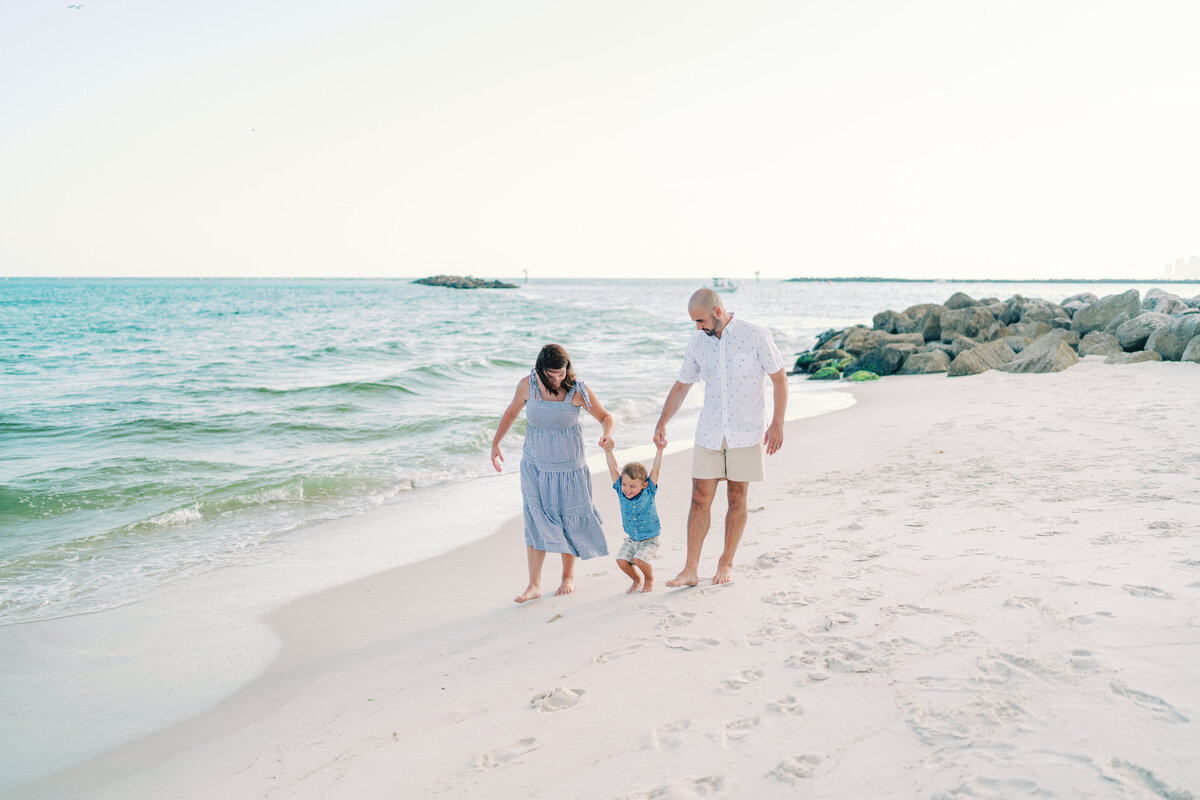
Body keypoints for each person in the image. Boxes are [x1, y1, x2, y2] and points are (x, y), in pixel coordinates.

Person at [653, 288, 788, 586]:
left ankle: (726, 563)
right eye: (694, 322)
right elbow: (681, 386)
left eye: (700, 320)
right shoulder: (698, 344)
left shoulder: (756, 335)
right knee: (699, 497)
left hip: (747, 431)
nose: (697, 327)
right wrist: (662, 422)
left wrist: (777, 423)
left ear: (717, 312)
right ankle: (690, 569)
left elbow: (779, 378)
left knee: (737, 498)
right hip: (710, 431)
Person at [492, 344, 614, 603]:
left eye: (561, 373)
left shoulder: (577, 390)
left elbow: (605, 416)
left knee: (567, 519)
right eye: (551, 374)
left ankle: (568, 577)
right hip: (535, 464)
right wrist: (496, 443)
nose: (557, 379)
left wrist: (607, 434)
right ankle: (533, 585)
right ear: (540, 369)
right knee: (535, 520)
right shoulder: (528, 386)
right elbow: (512, 412)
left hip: (569, 468)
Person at [602, 439, 665, 593]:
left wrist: (660, 450)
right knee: (621, 561)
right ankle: (636, 579)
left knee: (639, 559)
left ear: (643, 484)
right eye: (624, 485)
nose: (627, 489)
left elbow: (656, 470)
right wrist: (608, 451)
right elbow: (613, 468)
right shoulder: (620, 492)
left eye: (632, 486)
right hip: (632, 539)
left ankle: (649, 579)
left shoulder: (648, 490)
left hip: (649, 539)